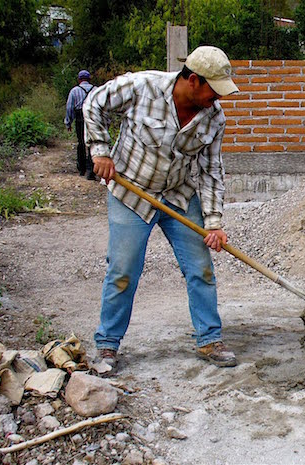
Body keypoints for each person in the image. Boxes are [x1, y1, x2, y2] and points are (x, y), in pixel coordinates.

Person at [82, 46, 239, 374]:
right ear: (193, 81)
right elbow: (94, 103)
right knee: (123, 270)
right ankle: (108, 345)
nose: (218, 99)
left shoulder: (214, 117)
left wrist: (213, 222)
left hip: (178, 196)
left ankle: (209, 338)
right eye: (214, 90)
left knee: (201, 269)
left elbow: (211, 170)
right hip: (132, 193)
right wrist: (99, 150)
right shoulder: (143, 87)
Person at [64, 70, 96, 180]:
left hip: (80, 118)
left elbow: (69, 108)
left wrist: (68, 122)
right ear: (89, 79)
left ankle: (82, 169)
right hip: (93, 118)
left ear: (79, 79)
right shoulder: (96, 90)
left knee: (81, 143)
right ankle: (92, 170)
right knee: (93, 143)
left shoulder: (74, 91)